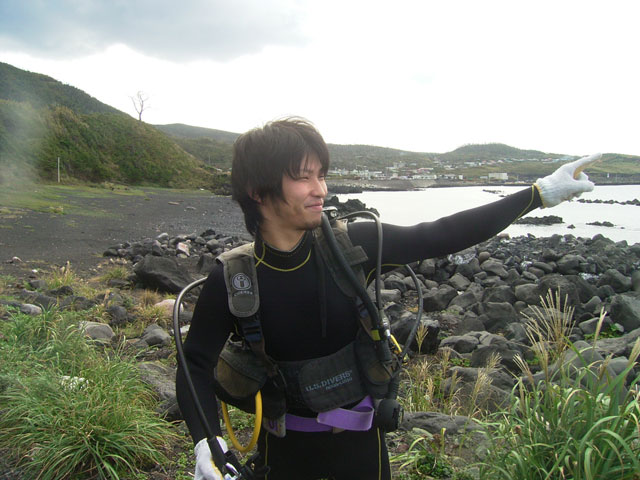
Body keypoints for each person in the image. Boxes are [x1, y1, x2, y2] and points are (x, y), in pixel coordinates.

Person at [176, 117, 599, 480]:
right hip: (282, 451)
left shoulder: (352, 248)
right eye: (304, 177)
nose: (320, 189)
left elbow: (440, 234)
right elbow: (195, 362)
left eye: (321, 174)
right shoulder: (234, 279)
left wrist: (538, 194)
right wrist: (206, 442)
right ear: (257, 190)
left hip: (361, 447)